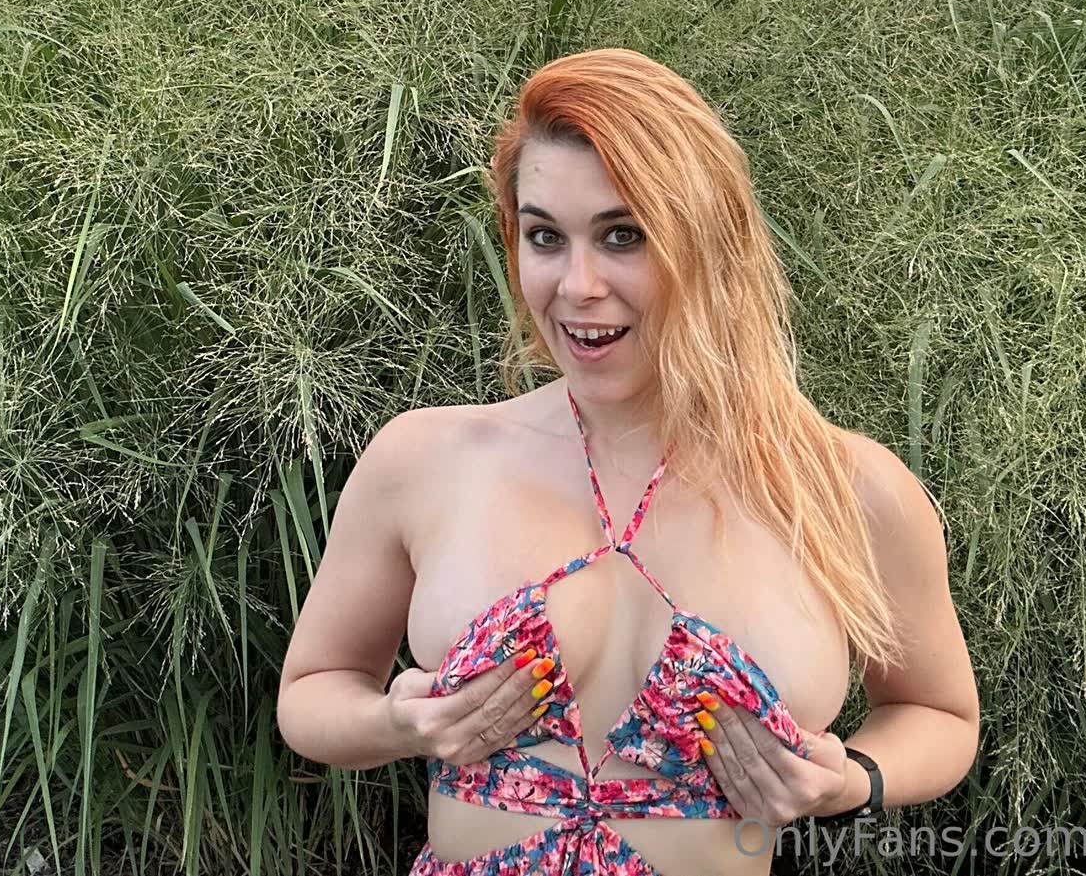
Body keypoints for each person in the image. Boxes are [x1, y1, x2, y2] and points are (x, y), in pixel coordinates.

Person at [277, 47, 978, 873]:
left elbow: (940, 713)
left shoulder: (842, 487)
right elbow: (312, 689)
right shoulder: (426, 458)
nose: (577, 284)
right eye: (545, 236)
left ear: (708, 241)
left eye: (623, 235)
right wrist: (398, 723)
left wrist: (853, 780)